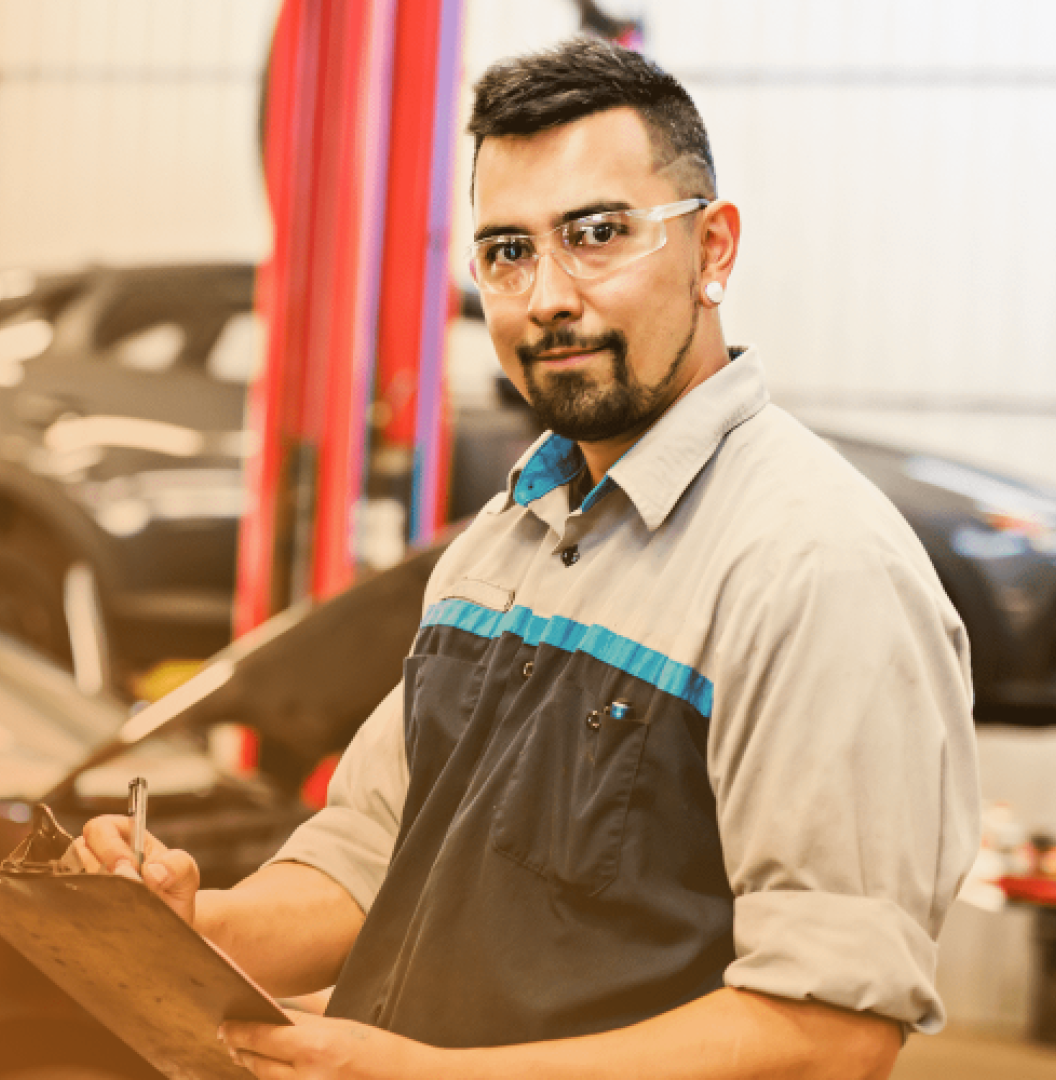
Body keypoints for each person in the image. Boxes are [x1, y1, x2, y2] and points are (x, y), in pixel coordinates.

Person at [74, 36, 980, 1079]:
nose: (547, 293)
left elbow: (827, 1034)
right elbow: (370, 854)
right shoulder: (504, 539)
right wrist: (195, 922)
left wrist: (422, 1074)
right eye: (508, 250)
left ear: (714, 248)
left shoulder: (816, 571)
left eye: (597, 236)